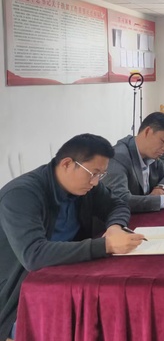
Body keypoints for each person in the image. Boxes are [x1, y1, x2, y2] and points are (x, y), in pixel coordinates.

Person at [0, 134, 143, 340]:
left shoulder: (86, 187)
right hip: (20, 294)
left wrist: (115, 227)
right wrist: (106, 246)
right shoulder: (21, 195)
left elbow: (117, 204)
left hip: (67, 275)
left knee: (117, 312)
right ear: (67, 164)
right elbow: (34, 255)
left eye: (100, 175)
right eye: (93, 173)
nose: (95, 182)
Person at [103, 112, 164, 213]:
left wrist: (161, 187)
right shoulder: (118, 157)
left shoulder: (151, 154)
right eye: (163, 141)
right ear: (147, 131)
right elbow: (121, 200)